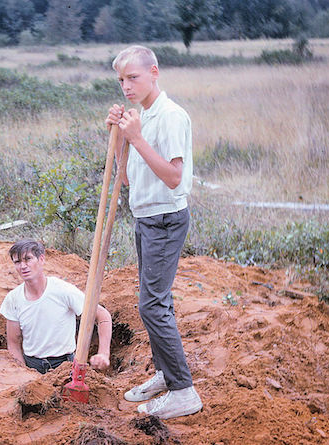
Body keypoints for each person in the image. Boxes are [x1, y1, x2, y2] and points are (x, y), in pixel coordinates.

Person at [104, 45, 202, 419]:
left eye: (133, 78)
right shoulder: (141, 116)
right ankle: (165, 373)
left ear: (154, 73)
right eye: (121, 80)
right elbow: (126, 177)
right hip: (146, 217)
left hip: (164, 219)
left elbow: (175, 177)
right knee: (154, 300)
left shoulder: (171, 116)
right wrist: (120, 137)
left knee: (152, 304)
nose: (126, 86)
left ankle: (183, 391)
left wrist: (138, 137)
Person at [0, 239, 112, 374]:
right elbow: (13, 344)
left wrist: (104, 353)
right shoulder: (13, 299)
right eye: (17, 262)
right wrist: (23, 374)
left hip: (64, 365)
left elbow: (102, 315)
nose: (23, 266)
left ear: (41, 259)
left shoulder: (62, 290)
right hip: (32, 366)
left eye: (28, 259)